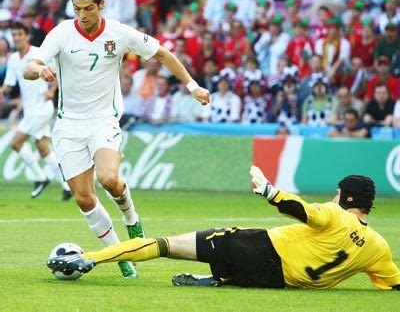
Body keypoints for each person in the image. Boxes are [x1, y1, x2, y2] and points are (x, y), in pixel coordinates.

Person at [24, 0, 209, 279]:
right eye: (77, 8)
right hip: (68, 125)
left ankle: (132, 219)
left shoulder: (119, 33)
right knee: (84, 198)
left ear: (101, 5)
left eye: (87, 9)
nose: (82, 15)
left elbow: (161, 53)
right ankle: (121, 257)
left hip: (103, 121)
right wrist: (40, 69)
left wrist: (192, 86)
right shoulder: (61, 33)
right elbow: (30, 66)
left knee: (109, 179)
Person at [48, 167, 400, 291]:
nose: (333, 197)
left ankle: (88, 259)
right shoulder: (377, 248)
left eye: (338, 193)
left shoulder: (334, 214)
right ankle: (220, 279)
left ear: (346, 196)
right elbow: (395, 283)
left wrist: (269, 191)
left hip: (257, 249)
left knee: (164, 244)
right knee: (236, 261)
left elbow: (304, 211)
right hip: (278, 282)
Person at [0, 22, 71, 199]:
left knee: (16, 143)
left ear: (27, 36)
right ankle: (67, 186)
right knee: (43, 149)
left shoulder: (38, 54)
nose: (16, 38)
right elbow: (9, 84)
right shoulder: (14, 59)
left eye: (19, 34)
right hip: (31, 109)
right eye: (14, 35)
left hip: (41, 109)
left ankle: (40, 178)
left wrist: (51, 91)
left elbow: (56, 73)